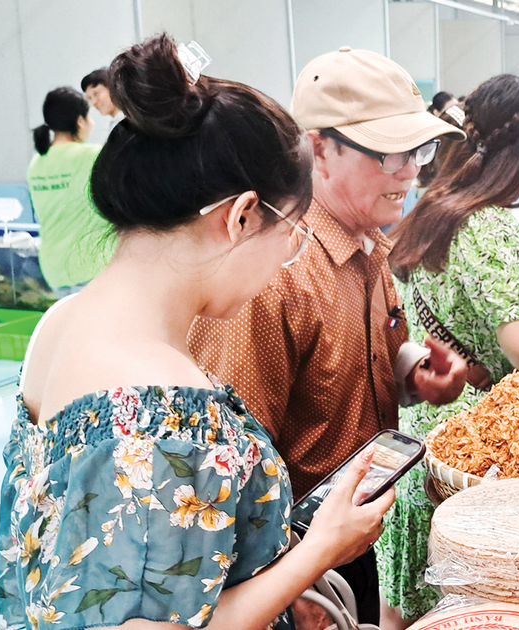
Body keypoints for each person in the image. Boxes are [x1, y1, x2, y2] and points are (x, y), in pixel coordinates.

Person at [0, 34, 394, 630]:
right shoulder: (167, 413)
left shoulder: (59, 327)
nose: (285, 265)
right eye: (290, 240)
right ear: (238, 217)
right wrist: (319, 550)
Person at [188, 46, 469, 625]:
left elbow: (356, 361)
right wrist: (291, 577)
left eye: (417, 150)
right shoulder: (274, 274)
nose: (408, 170)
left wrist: (414, 372)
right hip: (287, 558)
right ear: (320, 148)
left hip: (350, 536)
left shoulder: (371, 242)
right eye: (387, 153)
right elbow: (229, 458)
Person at [376, 74, 519, 627]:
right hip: (472, 458)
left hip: (414, 441)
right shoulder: (492, 227)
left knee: (403, 612)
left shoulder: (434, 208)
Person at [26, 87, 116, 294]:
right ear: (80, 121)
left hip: (54, 270)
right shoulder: (93, 156)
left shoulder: (36, 162)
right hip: (91, 267)